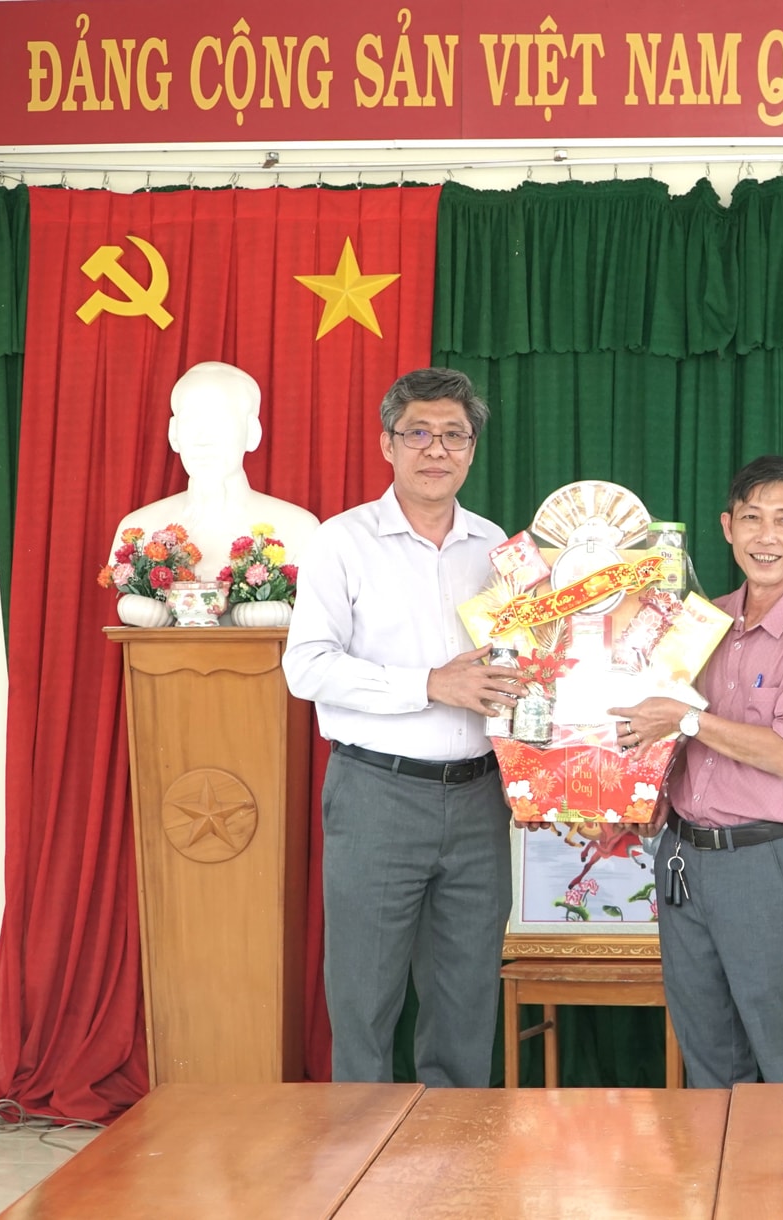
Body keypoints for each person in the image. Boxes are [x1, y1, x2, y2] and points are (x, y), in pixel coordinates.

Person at [282, 367, 524, 1087]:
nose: (436, 449)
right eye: (418, 432)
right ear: (388, 444)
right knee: (364, 996)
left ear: (473, 449)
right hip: (377, 794)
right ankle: (363, 1148)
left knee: (465, 997)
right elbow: (306, 668)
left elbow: (525, 664)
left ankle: (453, 1149)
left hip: (480, 797)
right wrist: (429, 685)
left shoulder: (497, 550)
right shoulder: (341, 542)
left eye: (454, 435)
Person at [609, 456, 783, 1088]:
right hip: (681, 858)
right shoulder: (699, 623)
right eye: (751, 518)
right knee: (707, 1052)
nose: (766, 537)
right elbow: (662, 736)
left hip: (760, 863)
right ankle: (718, 1159)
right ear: (727, 527)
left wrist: (686, 719)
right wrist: (628, 798)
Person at [107, 361, 321, 625]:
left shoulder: (298, 528)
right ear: (174, 434)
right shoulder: (138, 529)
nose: (203, 438)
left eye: (220, 420)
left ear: (253, 433)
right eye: (191, 421)